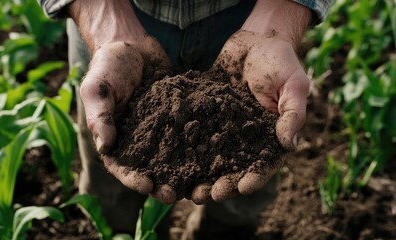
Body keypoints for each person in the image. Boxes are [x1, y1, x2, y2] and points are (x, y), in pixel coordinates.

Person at [38, 0, 333, 238]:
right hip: (111, 19)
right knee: (111, 174)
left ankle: (221, 231)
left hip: (255, 19)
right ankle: (122, 231)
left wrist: (279, 21)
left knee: (242, 192)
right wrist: (105, 22)